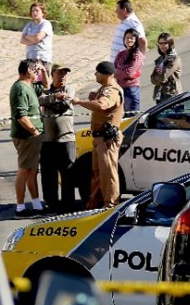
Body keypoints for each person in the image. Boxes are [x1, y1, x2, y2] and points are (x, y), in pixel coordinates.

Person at [68, 62, 123, 209]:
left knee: (108, 174)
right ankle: (96, 203)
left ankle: (110, 205)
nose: (95, 75)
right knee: (98, 175)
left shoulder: (111, 91)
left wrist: (79, 102)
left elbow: (102, 105)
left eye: (98, 72)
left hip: (107, 139)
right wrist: (94, 97)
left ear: (106, 74)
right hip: (100, 138)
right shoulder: (103, 89)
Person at [37, 65, 77, 213]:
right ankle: (51, 203)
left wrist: (51, 101)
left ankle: (68, 204)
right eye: (60, 73)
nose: (63, 76)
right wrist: (53, 97)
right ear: (52, 74)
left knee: (68, 173)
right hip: (48, 140)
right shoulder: (46, 92)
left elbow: (64, 105)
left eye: (65, 73)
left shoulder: (70, 90)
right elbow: (39, 101)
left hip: (66, 139)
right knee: (48, 174)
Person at [10, 58, 46, 217]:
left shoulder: (30, 86)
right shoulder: (20, 88)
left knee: (33, 170)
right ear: (29, 71)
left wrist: (44, 70)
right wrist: (33, 131)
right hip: (26, 136)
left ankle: (37, 204)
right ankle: (20, 207)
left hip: (33, 136)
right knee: (24, 170)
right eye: (36, 71)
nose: (38, 74)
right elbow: (20, 115)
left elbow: (46, 85)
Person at [20, 1, 54, 88]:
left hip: (42, 58)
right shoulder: (29, 25)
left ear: (42, 13)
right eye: (32, 11)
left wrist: (29, 37)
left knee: (43, 83)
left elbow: (38, 38)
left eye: (37, 10)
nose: (34, 13)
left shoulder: (46, 24)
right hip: (31, 58)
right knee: (31, 82)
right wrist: (33, 39)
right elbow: (22, 40)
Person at [114, 27, 145, 114]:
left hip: (131, 89)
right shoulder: (121, 54)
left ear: (136, 40)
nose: (129, 40)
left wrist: (118, 72)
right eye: (127, 37)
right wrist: (120, 72)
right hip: (119, 88)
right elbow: (114, 69)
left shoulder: (138, 55)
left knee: (131, 117)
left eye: (132, 38)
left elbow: (129, 73)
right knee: (120, 117)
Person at [150, 32, 182, 104]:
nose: (162, 46)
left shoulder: (175, 59)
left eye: (165, 43)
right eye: (160, 43)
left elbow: (163, 77)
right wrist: (157, 78)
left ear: (170, 44)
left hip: (172, 95)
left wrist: (157, 77)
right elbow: (152, 79)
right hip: (159, 95)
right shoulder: (159, 60)